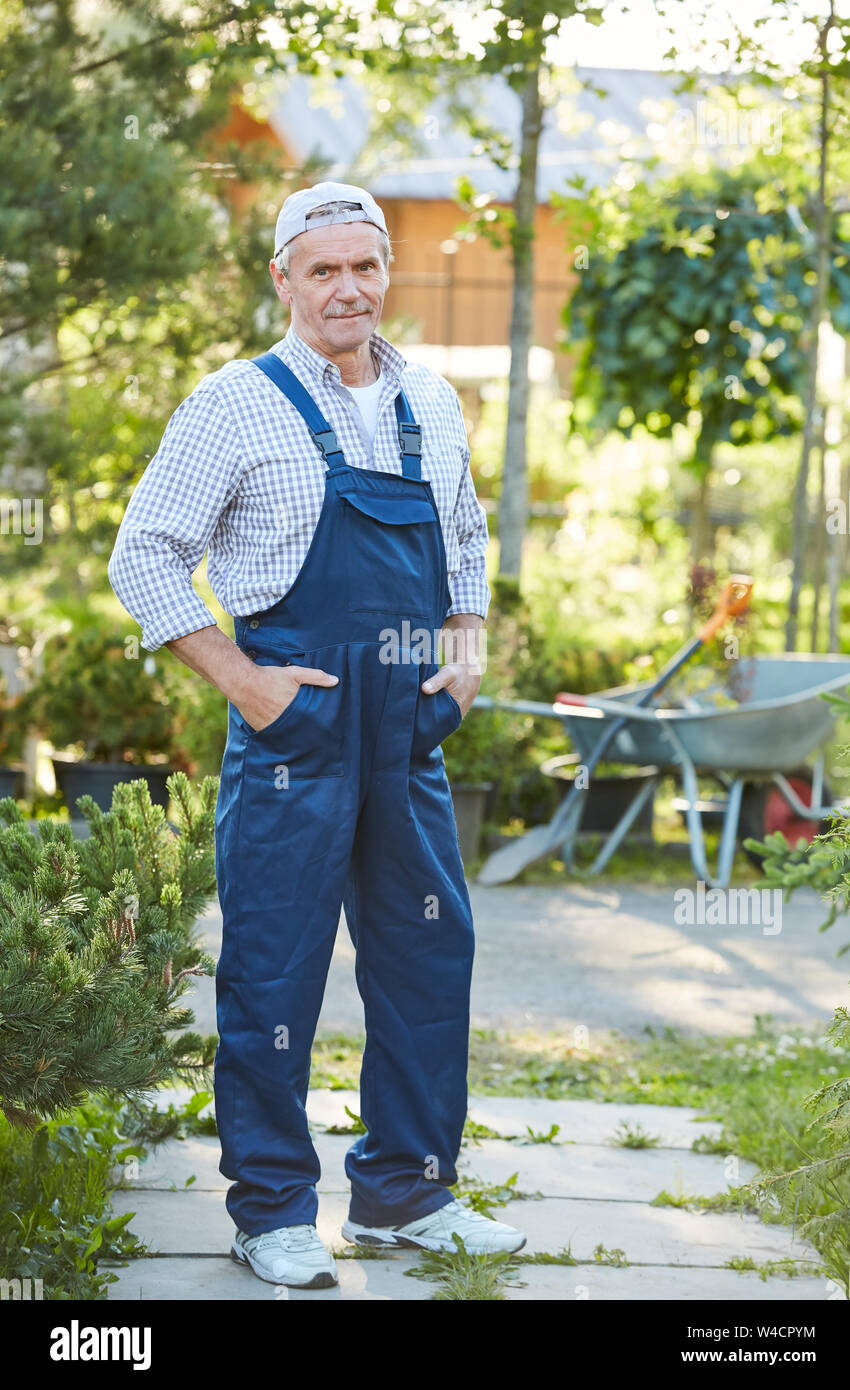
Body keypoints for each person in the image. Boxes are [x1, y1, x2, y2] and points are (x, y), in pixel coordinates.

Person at [108, 181, 526, 1289]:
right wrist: (246, 686)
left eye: (366, 266)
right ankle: (273, 1209)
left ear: (387, 274)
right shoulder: (233, 403)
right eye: (324, 268)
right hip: (297, 724)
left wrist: (468, 648)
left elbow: (466, 530)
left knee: (430, 956)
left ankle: (407, 1193)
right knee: (273, 970)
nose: (348, 288)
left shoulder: (429, 399)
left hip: (408, 727)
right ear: (283, 279)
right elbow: (142, 553)